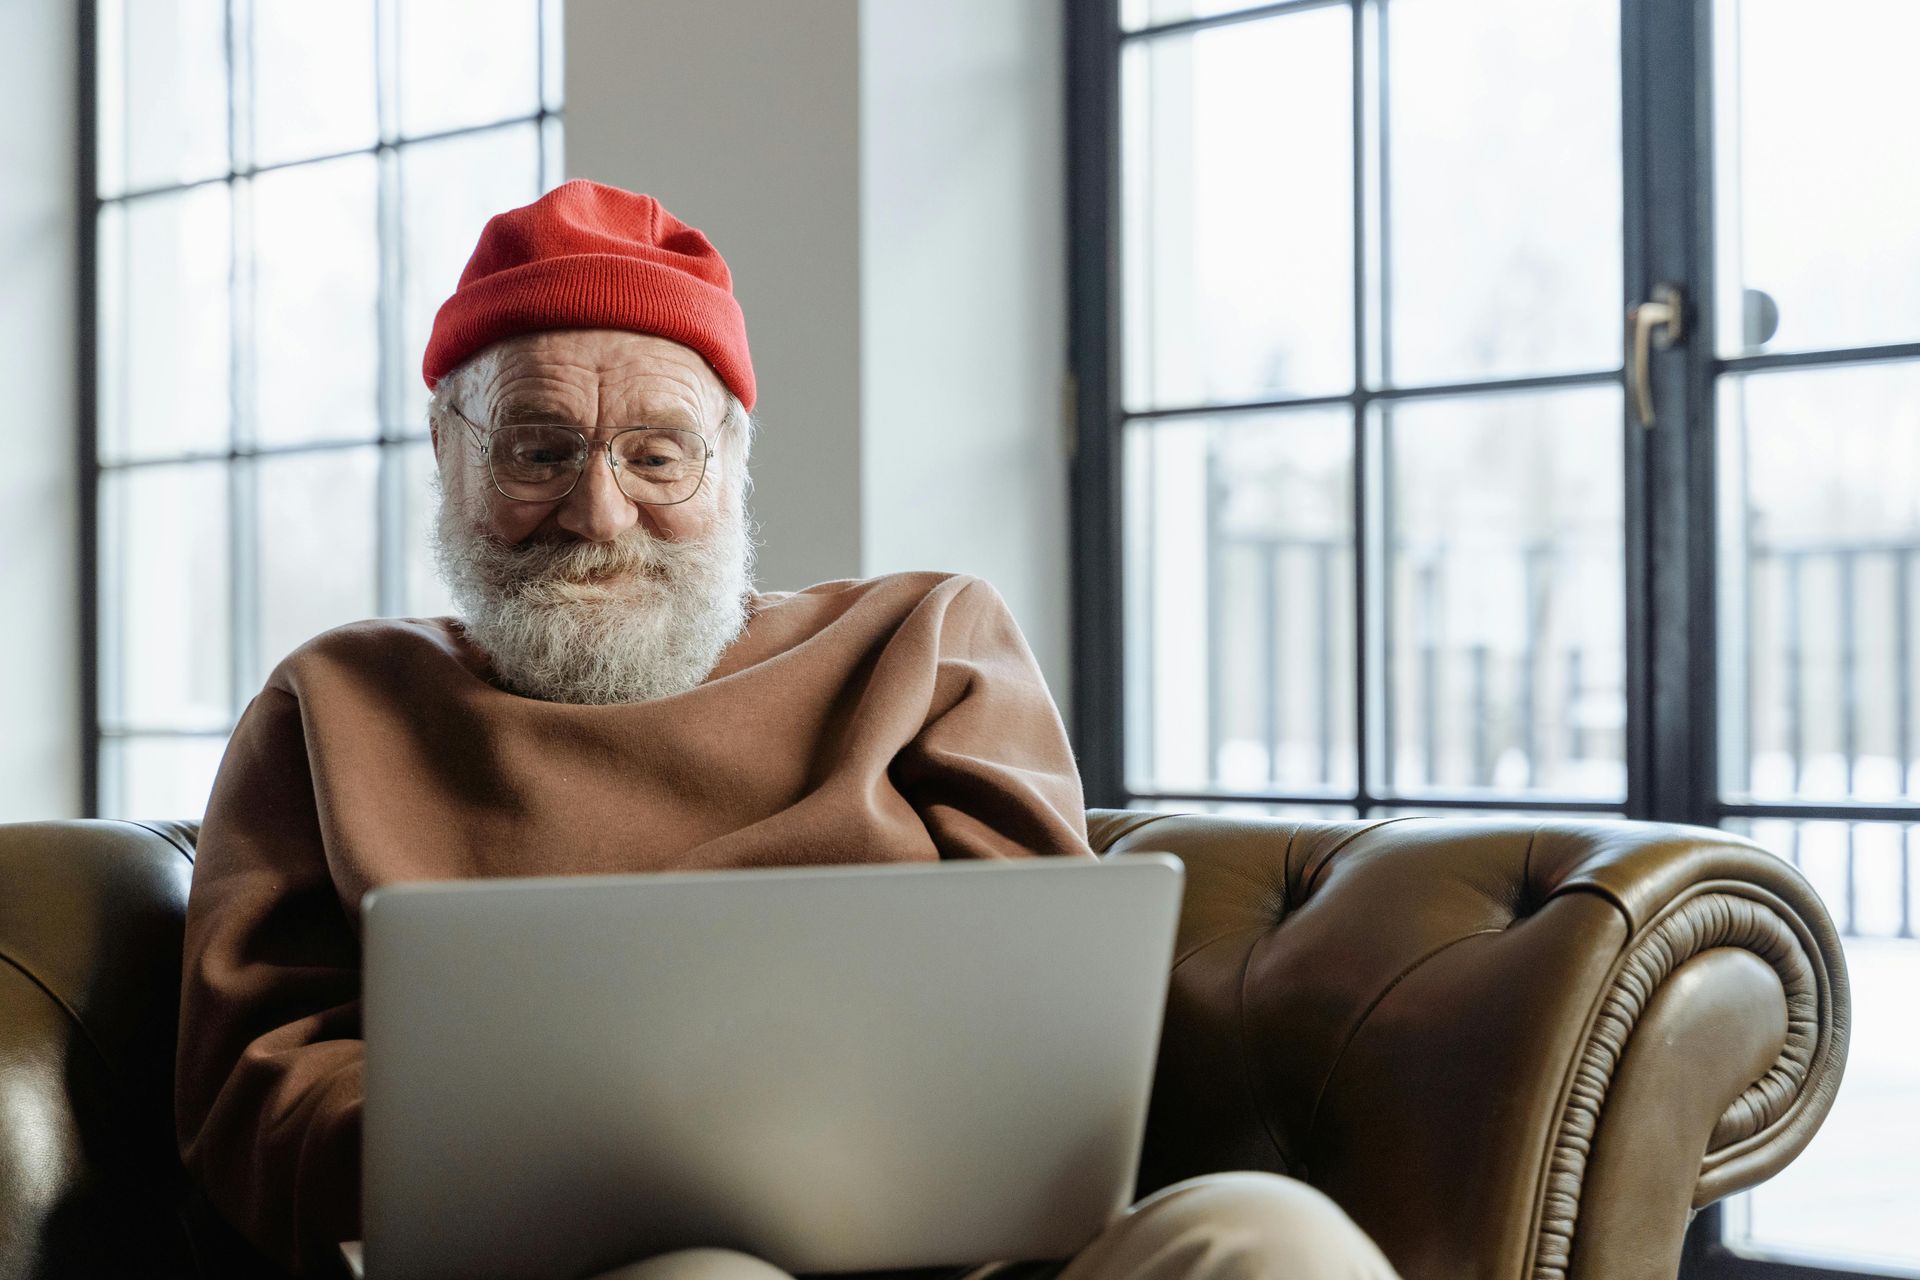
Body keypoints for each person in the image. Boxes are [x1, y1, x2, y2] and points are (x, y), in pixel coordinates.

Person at [174, 180, 1398, 1280]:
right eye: (539, 448)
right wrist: (542, 1156)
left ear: (734, 464)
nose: (600, 511)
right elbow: (255, 1094)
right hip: (585, 1268)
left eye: (658, 454)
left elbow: (1051, 1020)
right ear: (448, 453)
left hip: (973, 1262)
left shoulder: (926, 642)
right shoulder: (331, 705)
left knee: (1265, 1233)